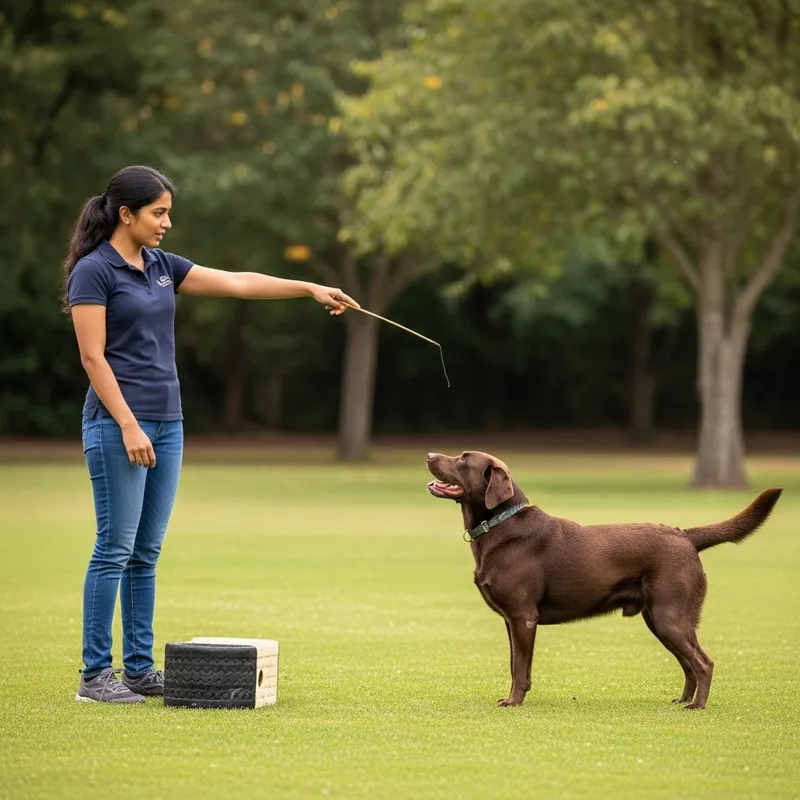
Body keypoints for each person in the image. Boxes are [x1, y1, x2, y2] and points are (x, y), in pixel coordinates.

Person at [64, 164, 359, 703]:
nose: (167, 224)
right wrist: (128, 424)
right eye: (158, 213)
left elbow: (238, 283)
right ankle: (93, 676)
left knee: (145, 553)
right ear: (125, 214)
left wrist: (310, 287)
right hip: (115, 424)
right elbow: (91, 356)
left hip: (168, 423)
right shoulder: (94, 271)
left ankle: (137, 669)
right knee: (114, 547)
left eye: (169, 213)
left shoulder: (160, 266)